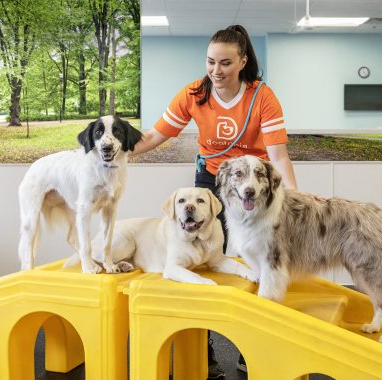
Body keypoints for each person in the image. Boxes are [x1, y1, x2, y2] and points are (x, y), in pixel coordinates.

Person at [131, 25, 298, 380]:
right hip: (212, 183)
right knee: (200, 262)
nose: (216, 71)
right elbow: (155, 136)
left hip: (253, 185)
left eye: (225, 63)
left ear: (243, 61)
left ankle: (245, 350)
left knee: (251, 259)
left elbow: (278, 157)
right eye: (210, 62)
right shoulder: (194, 94)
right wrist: (114, 151)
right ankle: (201, 353)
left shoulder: (261, 97)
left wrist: (292, 201)